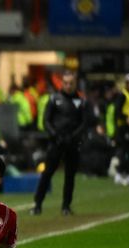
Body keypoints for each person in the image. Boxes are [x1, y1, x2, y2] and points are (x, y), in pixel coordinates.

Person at [30, 71, 88, 216]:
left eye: (71, 83)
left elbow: (84, 122)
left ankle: (66, 206)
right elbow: (46, 120)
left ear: (75, 84)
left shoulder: (81, 101)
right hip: (56, 143)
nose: (68, 86)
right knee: (47, 173)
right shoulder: (54, 99)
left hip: (73, 143)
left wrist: (74, 136)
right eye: (66, 83)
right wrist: (55, 135)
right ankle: (37, 204)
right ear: (62, 83)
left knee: (70, 176)